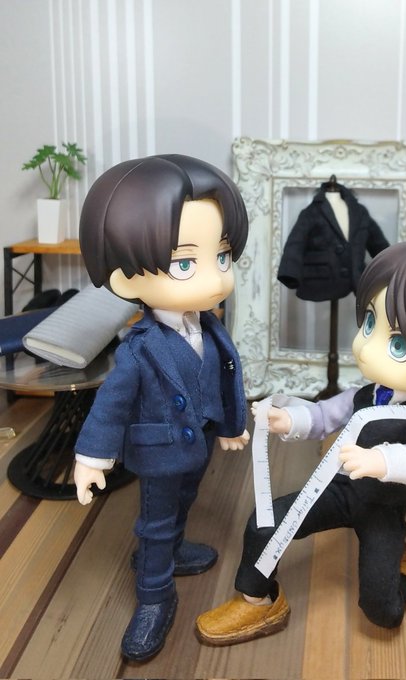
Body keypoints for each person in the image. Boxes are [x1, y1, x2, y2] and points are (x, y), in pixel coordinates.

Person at [196, 240, 406, 645]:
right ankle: (257, 600)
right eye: (369, 323)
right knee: (267, 522)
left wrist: (383, 461)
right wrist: (287, 419)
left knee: (381, 609)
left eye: (397, 344)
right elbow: (322, 416)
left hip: (382, 508)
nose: (366, 346)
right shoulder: (361, 395)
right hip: (338, 491)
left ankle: (397, 568)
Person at [73, 154, 249, 661]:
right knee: (154, 520)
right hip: (158, 452)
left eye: (223, 257)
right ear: (125, 277)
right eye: (184, 264)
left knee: (183, 502)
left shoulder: (209, 326)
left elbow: (224, 376)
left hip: (198, 444)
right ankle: (154, 595)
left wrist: (231, 424)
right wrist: (92, 457)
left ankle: (174, 548)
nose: (215, 279)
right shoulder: (138, 348)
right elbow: (111, 405)